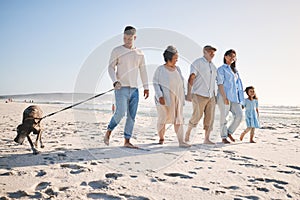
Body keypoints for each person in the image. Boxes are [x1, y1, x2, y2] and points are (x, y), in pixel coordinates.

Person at [104, 26, 149, 148]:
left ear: (135, 37)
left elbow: (143, 70)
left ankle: (127, 141)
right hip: (121, 88)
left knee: (132, 116)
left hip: (134, 89)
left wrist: (146, 87)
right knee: (120, 113)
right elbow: (110, 68)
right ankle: (109, 131)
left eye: (129, 38)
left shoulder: (139, 53)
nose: (127, 41)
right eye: (125, 38)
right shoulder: (117, 50)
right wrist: (115, 81)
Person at [153, 46, 190, 148]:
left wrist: (184, 95)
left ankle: (181, 142)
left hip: (177, 98)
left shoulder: (178, 69)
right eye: (175, 58)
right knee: (163, 119)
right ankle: (161, 137)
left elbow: (181, 83)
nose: (176, 60)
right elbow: (155, 83)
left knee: (178, 119)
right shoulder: (160, 69)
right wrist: (160, 96)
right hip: (164, 99)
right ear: (169, 57)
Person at [185, 45, 217, 144]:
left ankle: (206, 139)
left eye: (213, 53)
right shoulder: (197, 62)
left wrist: (215, 95)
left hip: (211, 96)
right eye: (210, 52)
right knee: (196, 116)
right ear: (204, 52)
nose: (212, 54)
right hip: (198, 94)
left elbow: (214, 82)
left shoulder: (213, 66)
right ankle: (187, 134)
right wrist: (189, 93)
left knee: (210, 118)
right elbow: (191, 77)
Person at [217, 49, 244, 144]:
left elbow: (238, 87)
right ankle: (223, 137)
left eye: (234, 57)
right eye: (231, 56)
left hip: (235, 98)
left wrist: (241, 100)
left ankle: (229, 132)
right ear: (225, 56)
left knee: (239, 116)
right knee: (224, 117)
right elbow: (220, 84)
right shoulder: (221, 69)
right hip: (224, 96)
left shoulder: (235, 71)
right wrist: (224, 97)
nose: (232, 58)